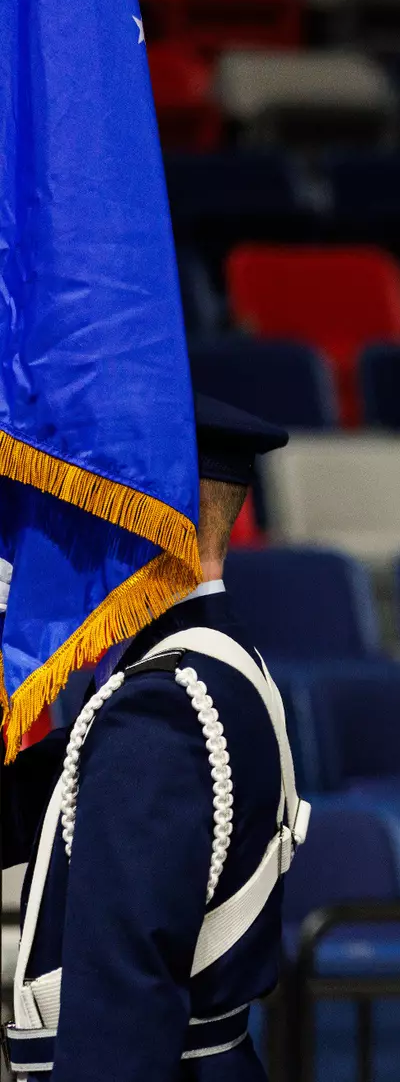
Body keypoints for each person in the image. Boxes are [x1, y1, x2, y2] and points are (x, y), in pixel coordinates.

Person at [1, 395, 308, 1080]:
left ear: (147, 512)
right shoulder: (204, 666)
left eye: (89, 493)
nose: (63, 519)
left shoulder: (161, 706)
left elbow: (124, 1003)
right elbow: (23, 809)